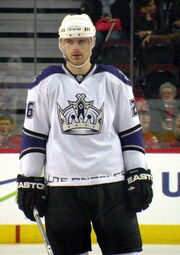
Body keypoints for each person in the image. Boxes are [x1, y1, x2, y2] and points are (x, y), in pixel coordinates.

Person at [17, 14, 153, 255]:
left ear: (92, 42)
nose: (75, 47)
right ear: (61, 44)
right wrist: (29, 178)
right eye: (69, 41)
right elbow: (34, 137)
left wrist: (138, 171)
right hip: (62, 188)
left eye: (81, 40)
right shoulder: (45, 82)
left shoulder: (114, 79)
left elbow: (130, 133)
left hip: (112, 186)